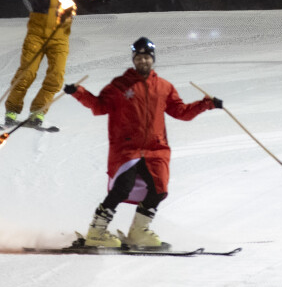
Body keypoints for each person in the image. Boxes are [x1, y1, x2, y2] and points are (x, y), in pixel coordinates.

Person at [67, 37, 221, 249]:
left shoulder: (164, 87)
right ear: (134, 60)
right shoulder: (119, 86)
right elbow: (99, 107)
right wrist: (78, 92)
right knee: (122, 188)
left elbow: (181, 112)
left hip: (155, 149)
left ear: (153, 59)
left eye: (147, 57)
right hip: (127, 149)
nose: (143, 61)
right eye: (139, 58)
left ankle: (139, 231)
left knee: (159, 191)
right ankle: (97, 231)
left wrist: (207, 104)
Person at [1, 0, 112, 127]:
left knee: (56, 77)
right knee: (26, 73)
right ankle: (12, 110)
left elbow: (90, 2)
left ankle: (38, 112)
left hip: (60, 37)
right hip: (37, 34)